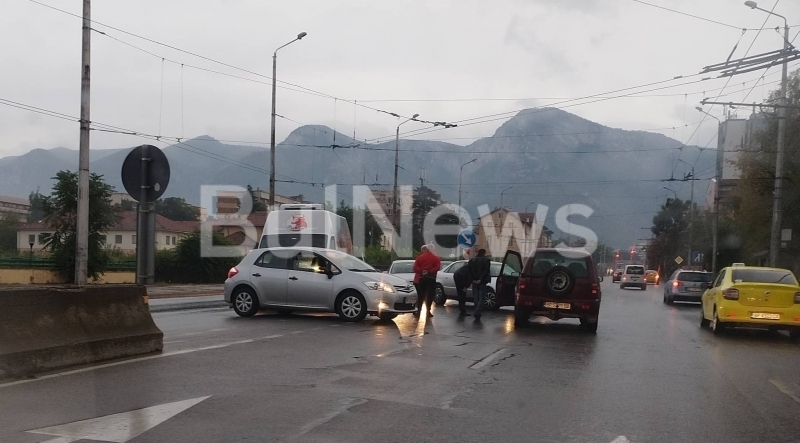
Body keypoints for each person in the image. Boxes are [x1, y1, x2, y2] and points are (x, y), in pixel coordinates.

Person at [413, 244, 441, 317]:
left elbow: (415, 268)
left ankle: (418, 310)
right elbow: (437, 267)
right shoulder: (436, 258)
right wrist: (429, 271)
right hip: (431, 278)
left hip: (421, 278)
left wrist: (422, 271)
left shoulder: (419, 257)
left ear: (426, 249)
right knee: (430, 295)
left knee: (420, 295)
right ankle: (428, 311)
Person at [468, 248, 491, 321]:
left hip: (474, 281)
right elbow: (486, 270)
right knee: (482, 298)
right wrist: (480, 279)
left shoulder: (472, 260)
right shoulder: (486, 260)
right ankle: (477, 312)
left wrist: (473, 279)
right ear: (484, 253)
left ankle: (476, 312)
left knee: (476, 297)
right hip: (482, 281)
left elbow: (469, 271)